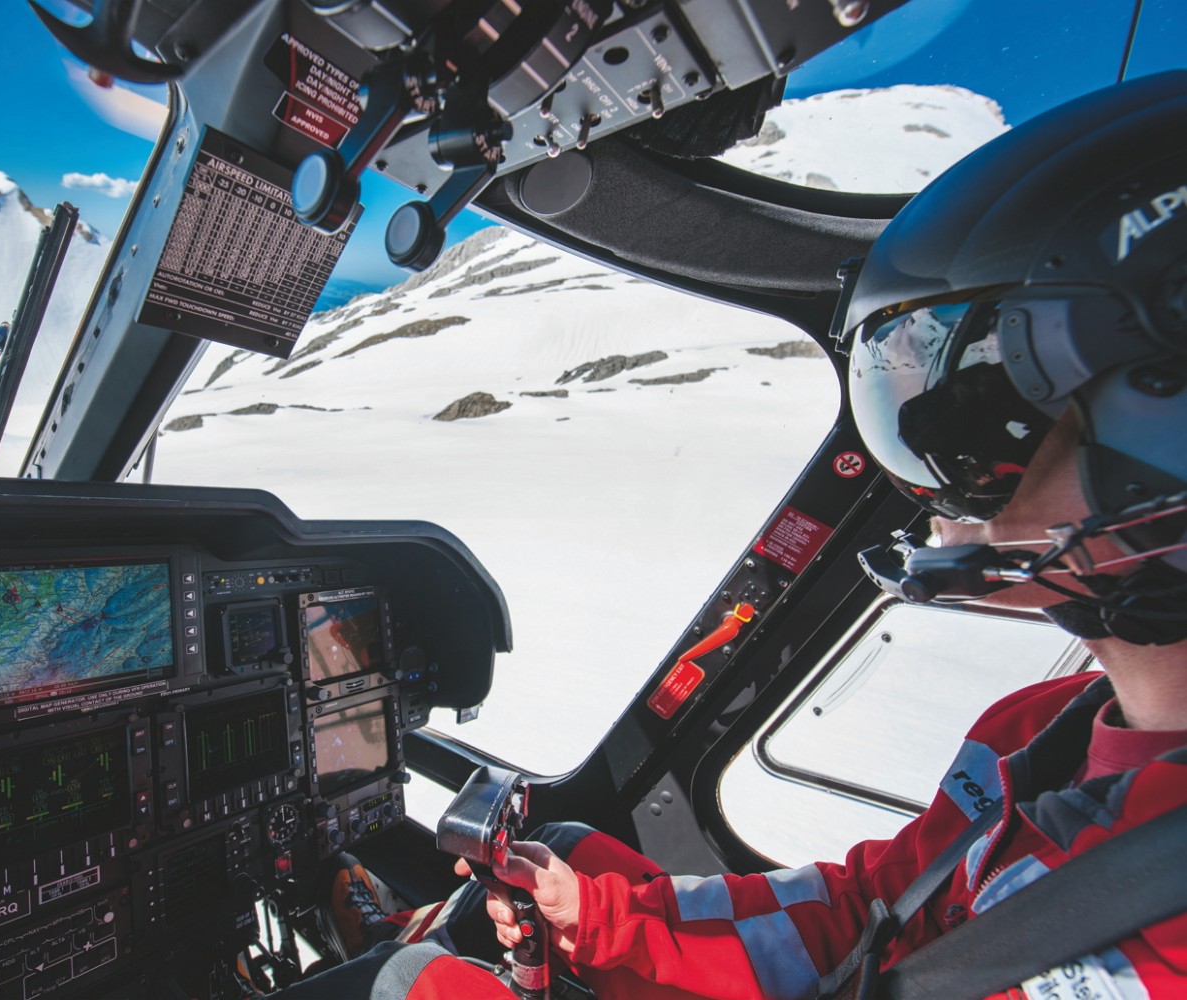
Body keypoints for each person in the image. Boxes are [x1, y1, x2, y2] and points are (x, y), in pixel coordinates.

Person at [280, 70, 1187, 1000]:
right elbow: (869, 910)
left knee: (408, 987)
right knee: (562, 857)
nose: (927, 487)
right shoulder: (1036, 735)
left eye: (971, 419)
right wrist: (593, 919)